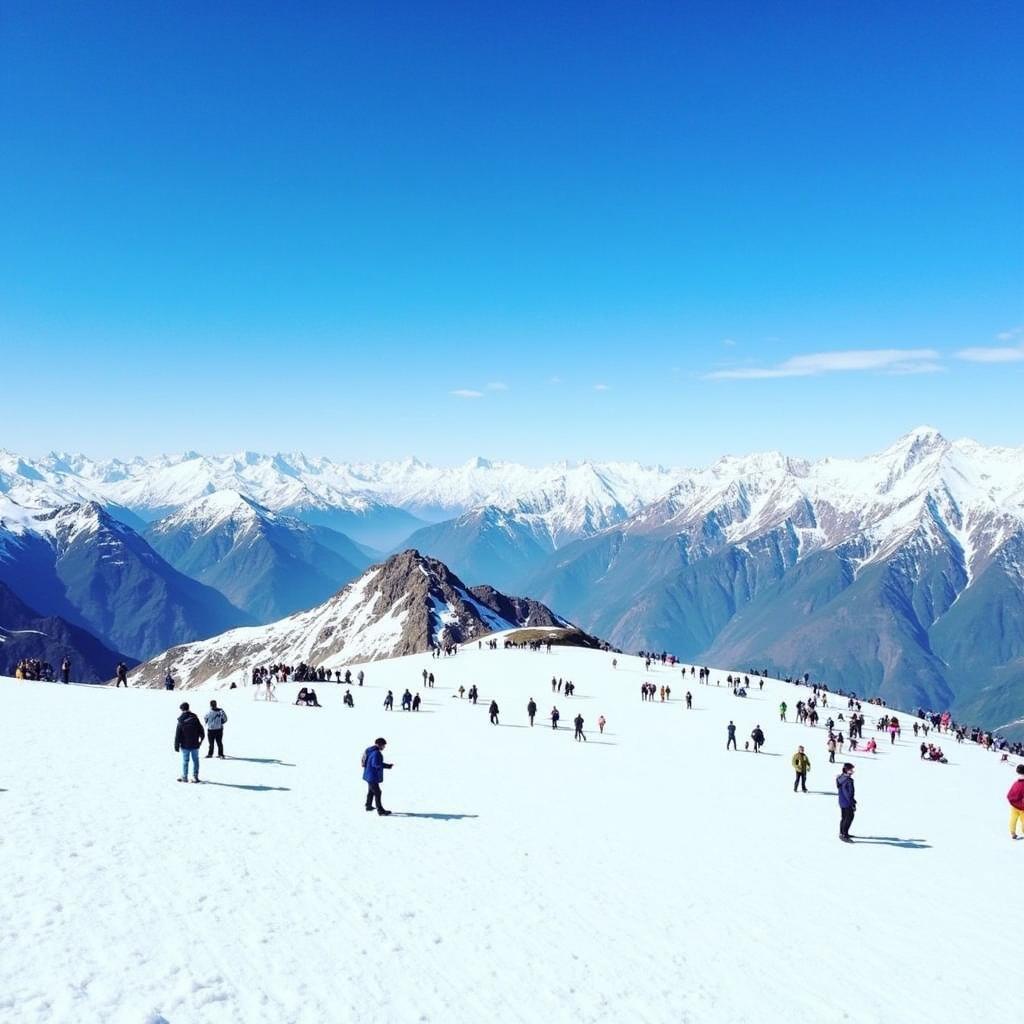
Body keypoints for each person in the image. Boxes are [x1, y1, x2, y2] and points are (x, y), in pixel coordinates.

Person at [362, 737, 393, 816]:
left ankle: (368, 806)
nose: (384, 747)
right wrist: (387, 766)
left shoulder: (369, 750)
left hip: (368, 775)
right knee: (378, 792)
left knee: (371, 791)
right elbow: (376, 764)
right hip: (372, 776)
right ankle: (380, 810)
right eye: (383, 745)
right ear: (380, 745)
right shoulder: (376, 753)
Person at [174, 702, 205, 783]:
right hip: (195, 743)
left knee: (185, 761)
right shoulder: (195, 717)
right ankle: (195, 776)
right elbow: (201, 729)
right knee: (195, 760)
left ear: (182, 709)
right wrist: (201, 739)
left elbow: (178, 734)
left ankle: (184, 777)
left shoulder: (181, 720)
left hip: (185, 745)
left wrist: (176, 745)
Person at [837, 763, 856, 842]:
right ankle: (844, 834)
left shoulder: (841, 777)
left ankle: (843, 833)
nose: (852, 771)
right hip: (847, 802)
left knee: (844, 817)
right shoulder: (848, 780)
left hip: (842, 801)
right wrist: (852, 803)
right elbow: (847, 793)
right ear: (846, 770)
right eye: (850, 769)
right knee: (849, 817)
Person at [1008, 764, 1024, 840]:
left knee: (1013, 819)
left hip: (1014, 805)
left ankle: (1012, 832)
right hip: (1022, 807)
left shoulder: (1016, 782)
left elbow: (1009, 794)